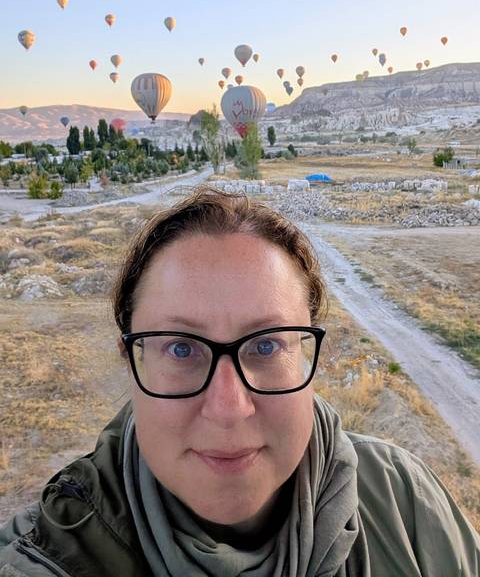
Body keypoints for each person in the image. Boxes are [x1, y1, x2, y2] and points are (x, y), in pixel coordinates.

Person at [0, 188, 479, 576]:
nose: (229, 408)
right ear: (131, 361)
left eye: (267, 345)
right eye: (181, 348)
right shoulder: (38, 555)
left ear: (306, 355)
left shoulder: (403, 498)